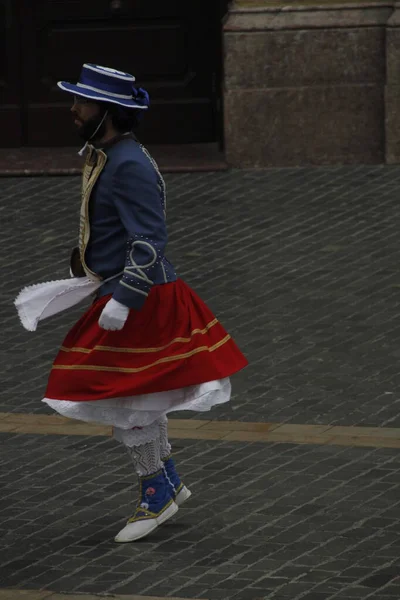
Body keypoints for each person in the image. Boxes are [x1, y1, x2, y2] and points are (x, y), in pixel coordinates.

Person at [42, 63, 248, 543]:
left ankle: (156, 492)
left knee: (128, 401)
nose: (73, 110)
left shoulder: (128, 163)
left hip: (142, 299)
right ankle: (167, 481)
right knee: (138, 400)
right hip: (128, 293)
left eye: (82, 103)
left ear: (108, 112)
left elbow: (149, 238)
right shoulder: (111, 153)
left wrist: (124, 299)